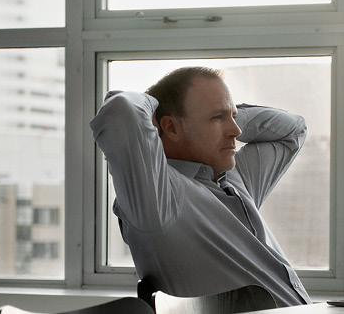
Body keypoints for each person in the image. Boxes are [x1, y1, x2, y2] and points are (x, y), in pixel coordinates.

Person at [90, 67, 311, 307]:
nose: (236, 132)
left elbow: (293, 130)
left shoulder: (235, 178)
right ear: (171, 128)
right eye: (217, 118)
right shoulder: (160, 198)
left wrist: (223, 116)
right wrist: (157, 107)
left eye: (234, 118)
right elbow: (120, 113)